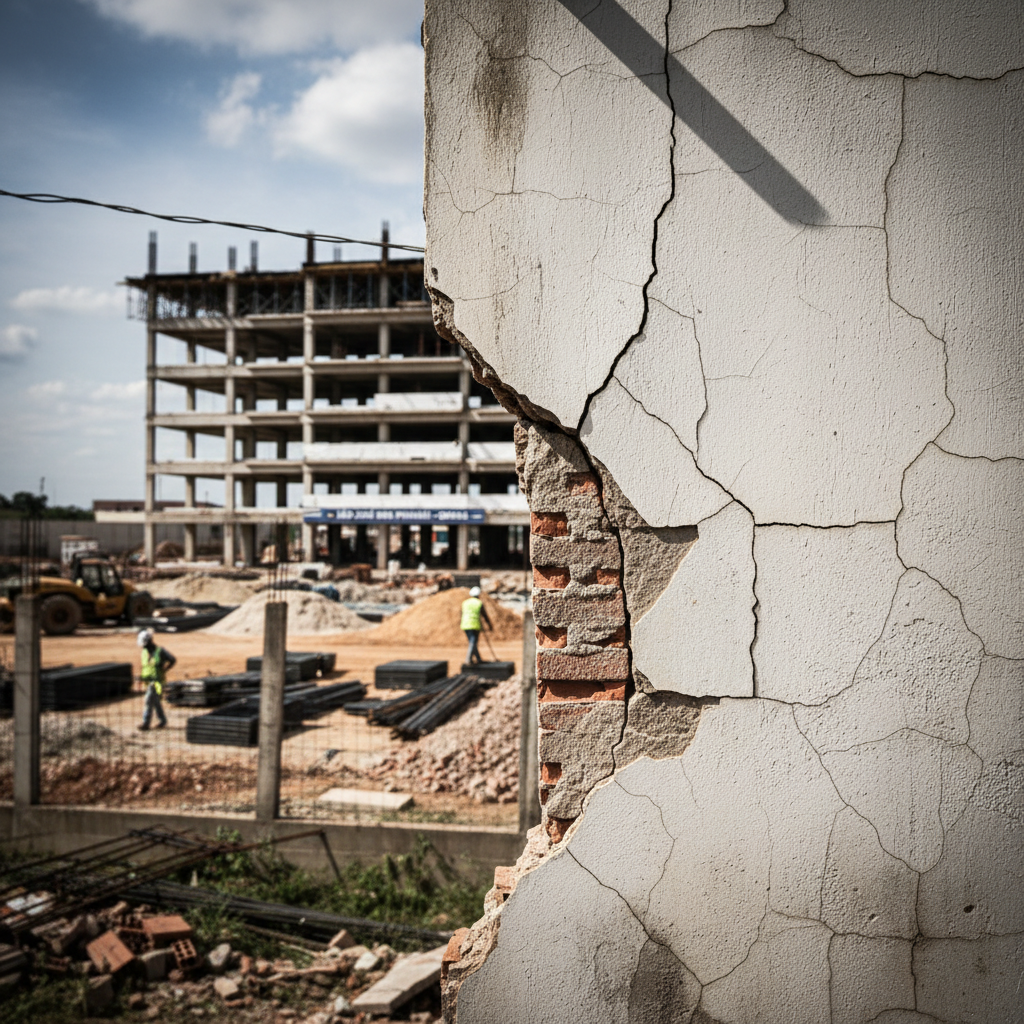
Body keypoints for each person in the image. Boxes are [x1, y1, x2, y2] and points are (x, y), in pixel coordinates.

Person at [137, 628, 175, 731]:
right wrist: (141, 678)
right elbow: (145, 667)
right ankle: (162, 720)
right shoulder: (144, 652)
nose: (143, 647)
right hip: (148, 681)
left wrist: (165, 669)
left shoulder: (160, 651)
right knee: (155, 701)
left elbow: (172, 659)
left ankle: (146, 723)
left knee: (149, 700)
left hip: (158, 681)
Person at [460, 586, 492, 665]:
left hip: (465, 624)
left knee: (472, 642)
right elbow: (484, 615)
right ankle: (468, 659)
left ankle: (478, 659)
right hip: (474, 625)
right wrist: (489, 624)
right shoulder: (478, 603)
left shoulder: (465, 602)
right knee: (473, 642)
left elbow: (461, 613)